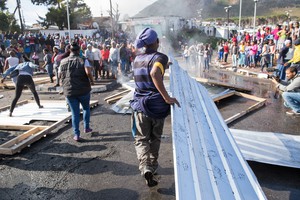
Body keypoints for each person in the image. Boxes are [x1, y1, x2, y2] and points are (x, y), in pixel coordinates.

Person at [130, 28, 180, 187]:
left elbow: (150, 68)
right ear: (156, 42)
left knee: (141, 139)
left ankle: (145, 167)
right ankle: (152, 165)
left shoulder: (137, 59)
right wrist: (167, 97)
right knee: (155, 138)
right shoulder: (160, 57)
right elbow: (153, 72)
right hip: (157, 106)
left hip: (140, 106)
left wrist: (166, 65)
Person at [59, 42, 94, 141]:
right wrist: (92, 81)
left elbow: (59, 75)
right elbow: (88, 72)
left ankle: (76, 134)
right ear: (79, 50)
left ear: (70, 50)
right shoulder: (83, 60)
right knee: (86, 108)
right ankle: (86, 127)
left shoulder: (63, 61)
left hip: (69, 91)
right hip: (83, 89)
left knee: (75, 113)